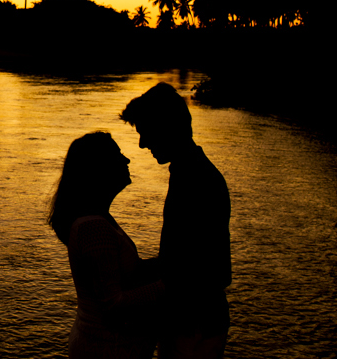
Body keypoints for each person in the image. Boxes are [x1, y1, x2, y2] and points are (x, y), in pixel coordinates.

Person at [120, 83, 231, 359]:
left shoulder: (194, 180)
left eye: (145, 132)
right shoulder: (191, 172)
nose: (142, 143)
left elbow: (190, 269)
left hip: (193, 325)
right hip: (200, 320)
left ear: (165, 128)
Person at [48, 131, 164, 358]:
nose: (126, 160)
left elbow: (125, 274)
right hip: (106, 348)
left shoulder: (97, 219)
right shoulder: (94, 227)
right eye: (117, 154)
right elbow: (113, 304)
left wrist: (166, 263)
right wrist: (171, 285)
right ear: (99, 168)